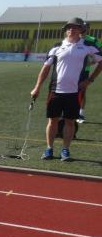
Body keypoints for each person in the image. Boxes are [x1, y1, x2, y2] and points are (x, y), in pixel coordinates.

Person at [30, 17, 102, 161]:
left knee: (70, 122)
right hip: (55, 90)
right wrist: (37, 87)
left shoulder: (88, 46)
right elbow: (45, 69)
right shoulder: (57, 46)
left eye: (75, 27)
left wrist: (89, 80)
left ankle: (65, 150)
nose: (71, 30)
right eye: (69, 27)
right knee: (52, 121)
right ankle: (49, 149)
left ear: (81, 29)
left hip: (75, 92)